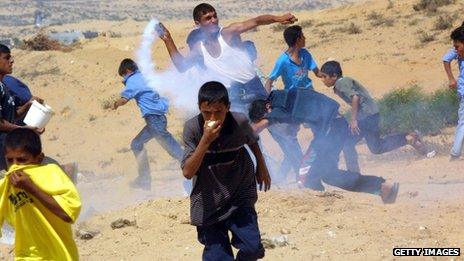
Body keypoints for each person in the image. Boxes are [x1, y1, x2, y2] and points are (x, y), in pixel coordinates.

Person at [249, 88, 399, 204]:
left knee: (305, 174)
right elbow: (294, 122)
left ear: (267, 107)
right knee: (329, 174)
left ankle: (319, 205)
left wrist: (236, 137)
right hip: (335, 127)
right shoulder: (284, 99)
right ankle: (382, 187)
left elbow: (257, 128)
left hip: (331, 128)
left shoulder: (277, 107)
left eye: (265, 116)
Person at [182, 81, 270, 260]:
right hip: (209, 199)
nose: (212, 118)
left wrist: (262, 166)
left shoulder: (239, 122)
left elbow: (252, 141)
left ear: (227, 107)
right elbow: (188, 172)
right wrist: (205, 140)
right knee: (218, 257)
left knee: (252, 248)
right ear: (199, 108)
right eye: (207, 113)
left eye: (218, 112)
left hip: (240, 192)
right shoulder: (193, 129)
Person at [159, 3, 296, 113]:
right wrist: (168, 39)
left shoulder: (228, 33)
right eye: (208, 18)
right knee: (245, 134)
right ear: (198, 23)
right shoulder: (199, 49)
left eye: (214, 16)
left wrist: (278, 18)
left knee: (272, 125)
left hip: (253, 87)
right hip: (232, 95)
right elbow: (182, 66)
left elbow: (256, 21)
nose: (213, 20)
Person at [320, 60, 432, 172]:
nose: (322, 80)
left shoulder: (341, 83)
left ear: (334, 75)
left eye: (324, 76)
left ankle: (353, 174)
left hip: (366, 116)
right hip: (370, 115)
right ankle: (408, 138)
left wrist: (353, 120)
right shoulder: (342, 82)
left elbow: (355, 97)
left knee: (348, 143)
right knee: (376, 147)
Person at [0, 128, 81, 260]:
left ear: (39, 159)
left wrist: (30, 187)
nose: (15, 166)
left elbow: (67, 214)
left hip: (58, 254)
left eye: (22, 160)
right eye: (10, 161)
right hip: (27, 255)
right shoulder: (5, 186)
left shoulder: (52, 174)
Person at [113, 58, 183, 190]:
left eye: (123, 75)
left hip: (154, 119)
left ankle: (194, 168)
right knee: (136, 144)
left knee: (174, 150)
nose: (124, 78)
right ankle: (144, 180)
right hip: (156, 119)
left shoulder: (133, 80)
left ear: (127, 71)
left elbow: (124, 100)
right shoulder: (144, 76)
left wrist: (115, 104)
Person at [0, 44, 43, 171]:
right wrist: (23, 130)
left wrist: (28, 105)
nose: (11, 61)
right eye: (7, 58)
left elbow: (10, 115)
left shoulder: (3, 86)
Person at [443, 22, 464, 161]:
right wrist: (451, 79)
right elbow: (445, 59)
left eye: (457, 47)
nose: (456, 50)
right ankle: (455, 153)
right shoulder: (457, 53)